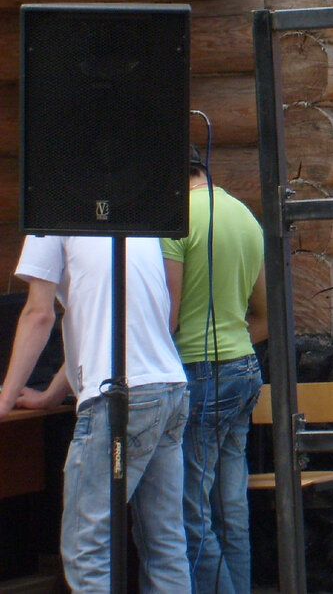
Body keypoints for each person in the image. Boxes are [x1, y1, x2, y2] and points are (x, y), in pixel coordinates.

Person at [0, 234, 190, 594]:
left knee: (88, 548)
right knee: (165, 543)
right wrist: (51, 395)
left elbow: (39, 315)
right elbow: (99, 328)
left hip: (120, 395)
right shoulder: (128, 212)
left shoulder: (50, 217)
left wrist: (4, 399)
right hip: (169, 385)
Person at [163, 147, 268, 594]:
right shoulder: (244, 214)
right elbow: (262, 313)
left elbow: (166, 318)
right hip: (244, 367)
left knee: (192, 515)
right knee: (231, 513)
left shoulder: (173, 220)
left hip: (196, 370)